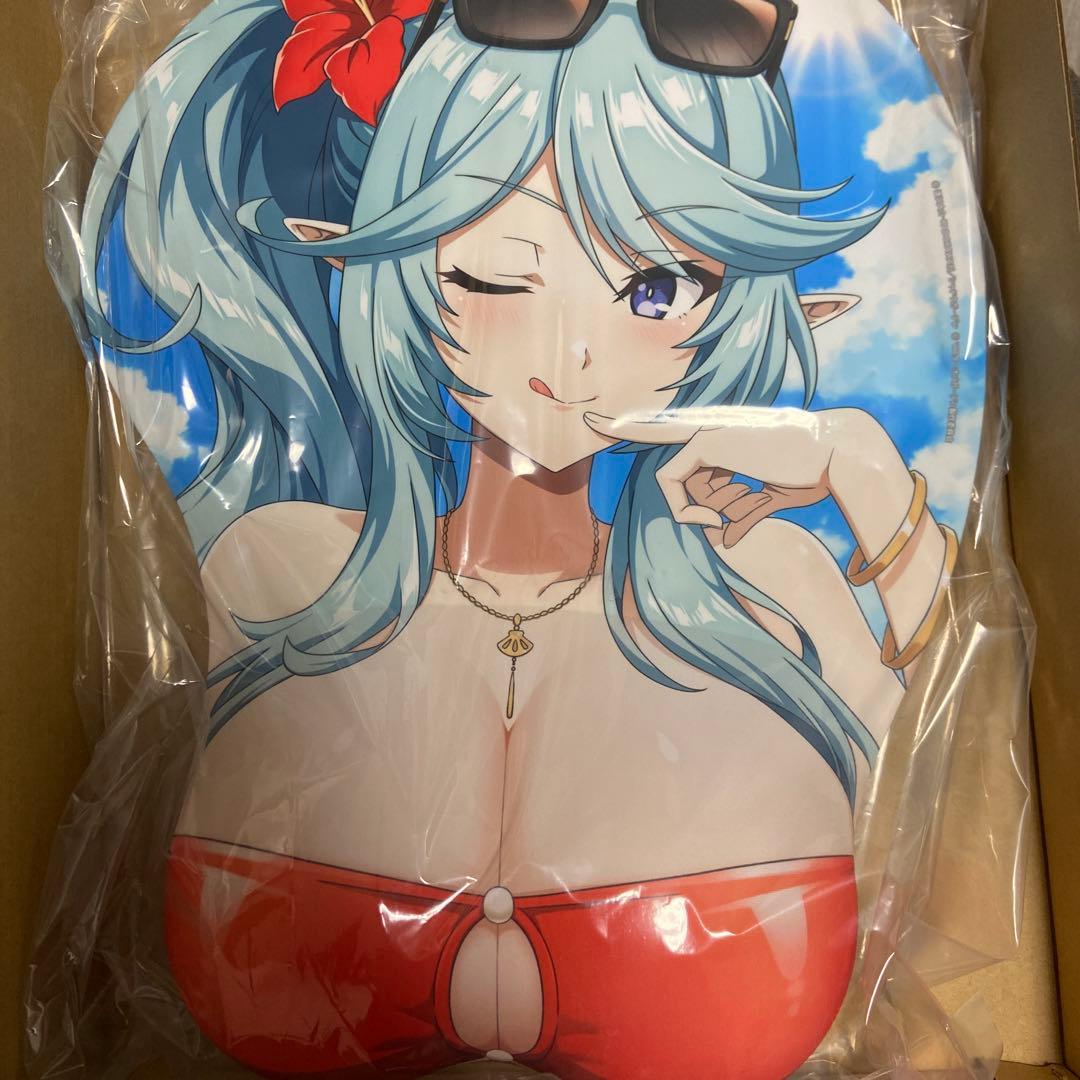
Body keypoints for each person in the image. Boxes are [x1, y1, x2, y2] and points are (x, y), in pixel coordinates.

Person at [82, 0, 957, 1074]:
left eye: (657, 288)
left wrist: (862, 467)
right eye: (494, 277)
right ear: (388, 271)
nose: (571, 359)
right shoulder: (282, 565)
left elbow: (950, 733)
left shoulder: (770, 584)